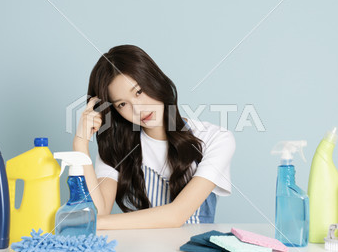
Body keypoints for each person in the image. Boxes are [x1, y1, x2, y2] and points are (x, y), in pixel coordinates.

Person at [73, 45, 236, 230]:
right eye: (122, 104)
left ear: (155, 80)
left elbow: (176, 216)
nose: (137, 108)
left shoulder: (215, 138)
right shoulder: (116, 147)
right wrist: (80, 144)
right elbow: (99, 211)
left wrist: (94, 222)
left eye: (139, 92)